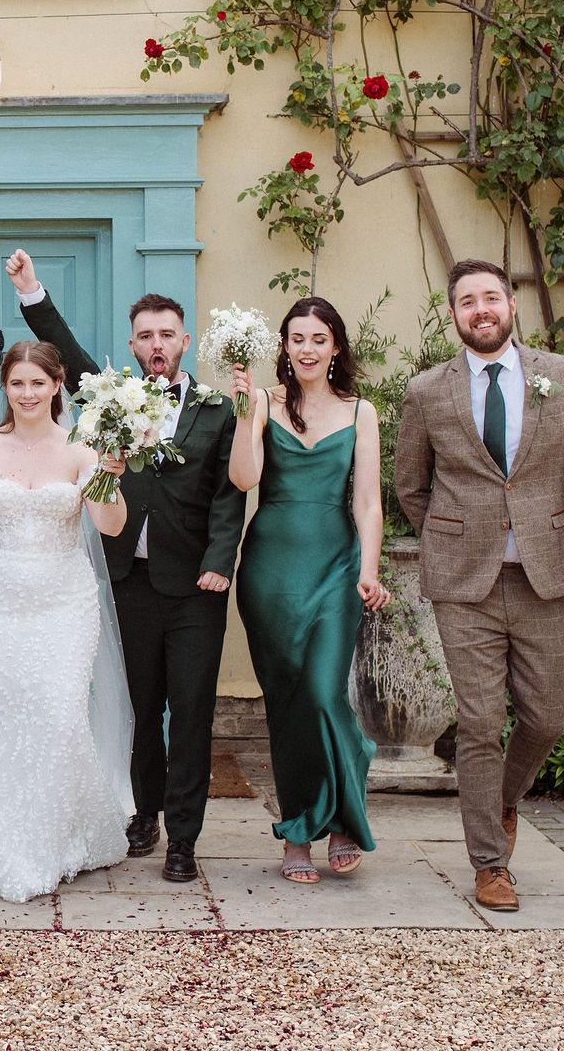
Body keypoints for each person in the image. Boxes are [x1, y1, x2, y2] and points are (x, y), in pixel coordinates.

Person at [394, 258, 564, 914]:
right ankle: (490, 864)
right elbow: (410, 485)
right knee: (479, 721)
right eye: (467, 301)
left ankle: (500, 797)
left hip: (542, 573)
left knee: (546, 717)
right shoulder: (426, 392)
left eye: (491, 298)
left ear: (511, 305)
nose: (481, 309)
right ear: (453, 315)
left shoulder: (562, 378)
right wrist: (451, 534)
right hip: (463, 583)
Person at [6, 250, 244, 884]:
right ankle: (145, 815)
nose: (157, 344)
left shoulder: (217, 409)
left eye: (167, 334)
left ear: (184, 341)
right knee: (141, 710)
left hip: (196, 585)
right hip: (125, 582)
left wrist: (220, 562)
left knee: (191, 712)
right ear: (133, 345)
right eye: (145, 335)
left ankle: (184, 840)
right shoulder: (111, 393)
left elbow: (229, 493)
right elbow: (62, 343)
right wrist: (31, 291)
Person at [0, 340, 132, 902]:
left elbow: (111, 526)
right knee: (3, 716)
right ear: (5, 388)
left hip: (64, 601)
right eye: (17, 384)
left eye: (37, 383)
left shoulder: (82, 449)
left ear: (57, 385)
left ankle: (57, 838)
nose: (27, 393)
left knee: (60, 713)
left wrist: (110, 476)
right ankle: (7, 847)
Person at [227, 297, 390, 883]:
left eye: (318, 339)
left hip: (336, 569)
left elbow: (368, 503)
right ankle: (299, 827)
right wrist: (248, 414)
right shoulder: (265, 403)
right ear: (284, 347)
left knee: (323, 694)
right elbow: (244, 478)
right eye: (297, 339)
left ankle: (344, 808)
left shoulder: (360, 411)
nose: (306, 349)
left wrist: (368, 570)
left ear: (335, 346)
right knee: (287, 705)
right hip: (270, 569)